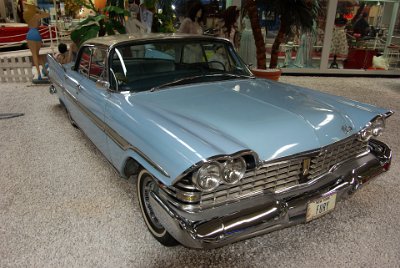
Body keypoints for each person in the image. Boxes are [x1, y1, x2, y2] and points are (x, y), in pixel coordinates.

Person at [23, 2, 50, 80]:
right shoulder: (36, 16)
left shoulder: (27, 17)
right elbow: (47, 14)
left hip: (30, 34)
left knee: (34, 55)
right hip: (37, 35)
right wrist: (38, 10)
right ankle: (44, 70)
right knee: (37, 55)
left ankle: (39, 74)